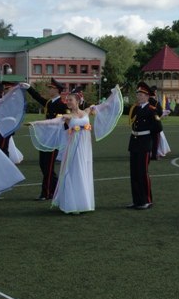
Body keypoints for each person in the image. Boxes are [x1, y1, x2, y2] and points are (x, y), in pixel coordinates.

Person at [28, 85, 123, 214]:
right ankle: (71, 204)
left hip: (85, 148)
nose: (68, 102)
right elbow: (52, 122)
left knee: (83, 170)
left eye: (70, 100)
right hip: (73, 147)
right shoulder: (67, 116)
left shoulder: (87, 111)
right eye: (67, 100)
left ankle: (83, 203)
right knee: (74, 171)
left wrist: (115, 93)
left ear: (78, 101)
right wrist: (35, 123)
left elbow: (105, 105)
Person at [24, 78, 68, 201]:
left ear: (57, 90)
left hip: (54, 140)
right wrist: (29, 88)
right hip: (46, 139)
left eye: (51, 88)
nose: (49, 90)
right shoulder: (50, 103)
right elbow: (39, 98)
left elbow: (66, 122)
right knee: (43, 165)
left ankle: (47, 193)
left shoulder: (62, 105)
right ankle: (58, 189)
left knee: (48, 167)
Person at [127, 82, 157, 210]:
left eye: (140, 94)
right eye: (138, 94)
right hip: (134, 143)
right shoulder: (136, 108)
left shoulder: (151, 110)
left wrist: (147, 139)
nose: (138, 96)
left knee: (142, 173)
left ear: (147, 96)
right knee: (134, 174)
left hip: (144, 145)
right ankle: (137, 200)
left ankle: (147, 200)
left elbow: (157, 127)